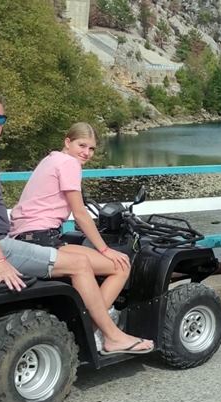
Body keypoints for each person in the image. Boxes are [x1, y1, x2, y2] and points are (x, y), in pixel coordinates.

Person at [0, 90, 152, 355]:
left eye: (0, 119)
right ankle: (107, 334)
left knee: (86, 259)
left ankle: (93, 327)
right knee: (86, 264)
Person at [9, 122, 133, 346]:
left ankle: (90, 327)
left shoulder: (51, 159)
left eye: (91, 148)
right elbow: (80, 214)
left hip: (25, 236)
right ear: (68, 142)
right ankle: (93, 331)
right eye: (81, 145)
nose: (86, 152)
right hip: (42, 237)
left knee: (86, 255)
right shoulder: (69, 164)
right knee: (120, 266)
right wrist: (105, 249)